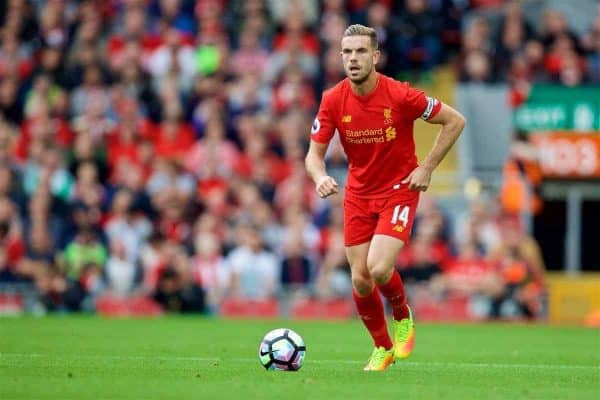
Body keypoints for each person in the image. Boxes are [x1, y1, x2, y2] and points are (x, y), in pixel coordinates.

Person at [305, 24, 466, 371]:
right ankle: (382, 348)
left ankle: (402, 313)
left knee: (379, 268)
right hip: (359, 194)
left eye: (360, 51)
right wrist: (320, 177)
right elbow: (313, 156)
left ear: (375, 56)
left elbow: (455, 121)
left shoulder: (401, 95)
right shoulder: (333, 99)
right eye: (347, 52)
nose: (353, 59)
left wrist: (427, 168)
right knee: (360, 278)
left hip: (399, 190)